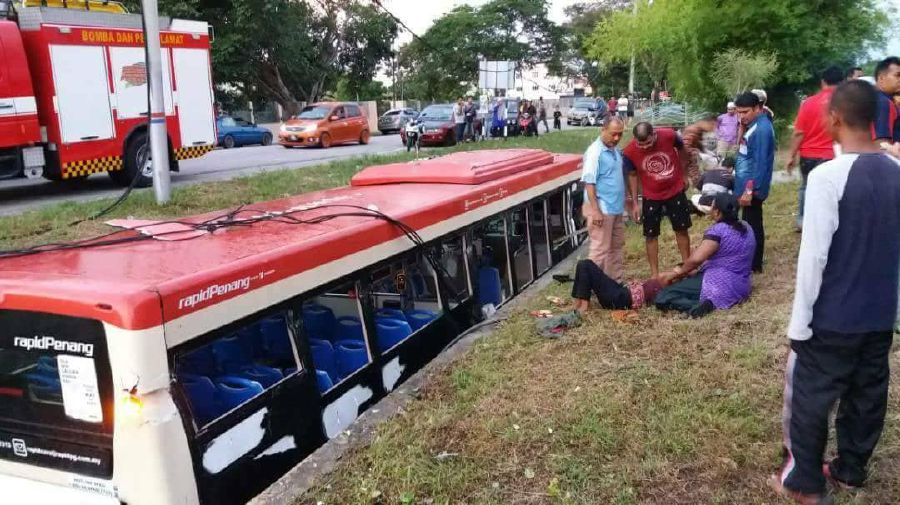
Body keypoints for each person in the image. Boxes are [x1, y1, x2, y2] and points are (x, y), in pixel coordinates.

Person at [771, 79, 900, 505]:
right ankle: (850, 468)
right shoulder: (897, 173)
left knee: (810, 398)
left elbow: (814, 258)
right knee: (867, 394)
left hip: (832, 318)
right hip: (880, 315)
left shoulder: (828, 177)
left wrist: (799, 324)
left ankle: (805, 483)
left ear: (836, 119)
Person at [654, 192, 756, 318]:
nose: (710, 209)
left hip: (718, 285)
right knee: (687, 282)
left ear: (717, 212)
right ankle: (706, 302)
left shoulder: (718, 231)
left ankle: (702, 305)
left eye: (712, 207)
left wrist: (676, 272)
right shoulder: (747, 227)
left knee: (663, 296)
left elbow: (696, 260)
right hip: (742, 287)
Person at [623, 122, 692, 277]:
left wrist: (684, 175)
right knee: (651, 234)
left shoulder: (669, 135)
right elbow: (632, 176)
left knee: (681, 229)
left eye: (648, 143)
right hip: (651, 195)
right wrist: (635, 203)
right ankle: (654, 275)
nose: (645, 147)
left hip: (675, 190)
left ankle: (687, 267)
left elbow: (682, 150)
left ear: (654, 134)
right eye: (641, 144)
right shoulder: (629, 152)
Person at [786, 66, 843, 232]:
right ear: (842, 82)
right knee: (833, 191)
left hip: (808, 155)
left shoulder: (809, 103)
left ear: (822, 81)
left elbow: (798, 133)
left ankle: (803, 220)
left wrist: (791, 155)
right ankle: (832, 222)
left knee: (806, 187)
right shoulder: (845, 103)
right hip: (833, 156)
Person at [581, 116, 627, 281]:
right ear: (603, 130)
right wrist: (596, 211)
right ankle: (586, 288)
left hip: (615, 207)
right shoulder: (595, 153)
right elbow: (589, 182)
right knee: (599, 250)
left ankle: (615, 282)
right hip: (602, 208)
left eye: (620, 134)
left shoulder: (614, 150)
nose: (616, 138)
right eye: (613, 134)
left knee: (615, 247)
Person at [734, 91, 775, 273]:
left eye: (745, 112)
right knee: (748, 223)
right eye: (738, 112)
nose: (741, 116)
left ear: (757, 108)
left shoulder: (762, 129)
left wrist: (749, 191)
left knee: (753, 224)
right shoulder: (753, 124)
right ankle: (751, 260)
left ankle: (754, 264)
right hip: (746, 184)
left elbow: (761, 163)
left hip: (752, 188)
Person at [570, 259, 666, 313]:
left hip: (620, 298)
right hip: (621, 292)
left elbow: (674, 273)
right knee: (583, 264)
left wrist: (681, 270)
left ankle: (584, 305)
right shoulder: (661, 285)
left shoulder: (667, 283)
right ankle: (578, 302)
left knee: (585, 264)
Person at [872, 56, 900, 150]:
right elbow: (882, 144)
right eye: (897, 75)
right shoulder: (884, 102)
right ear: (881, 78)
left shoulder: (874, 98)